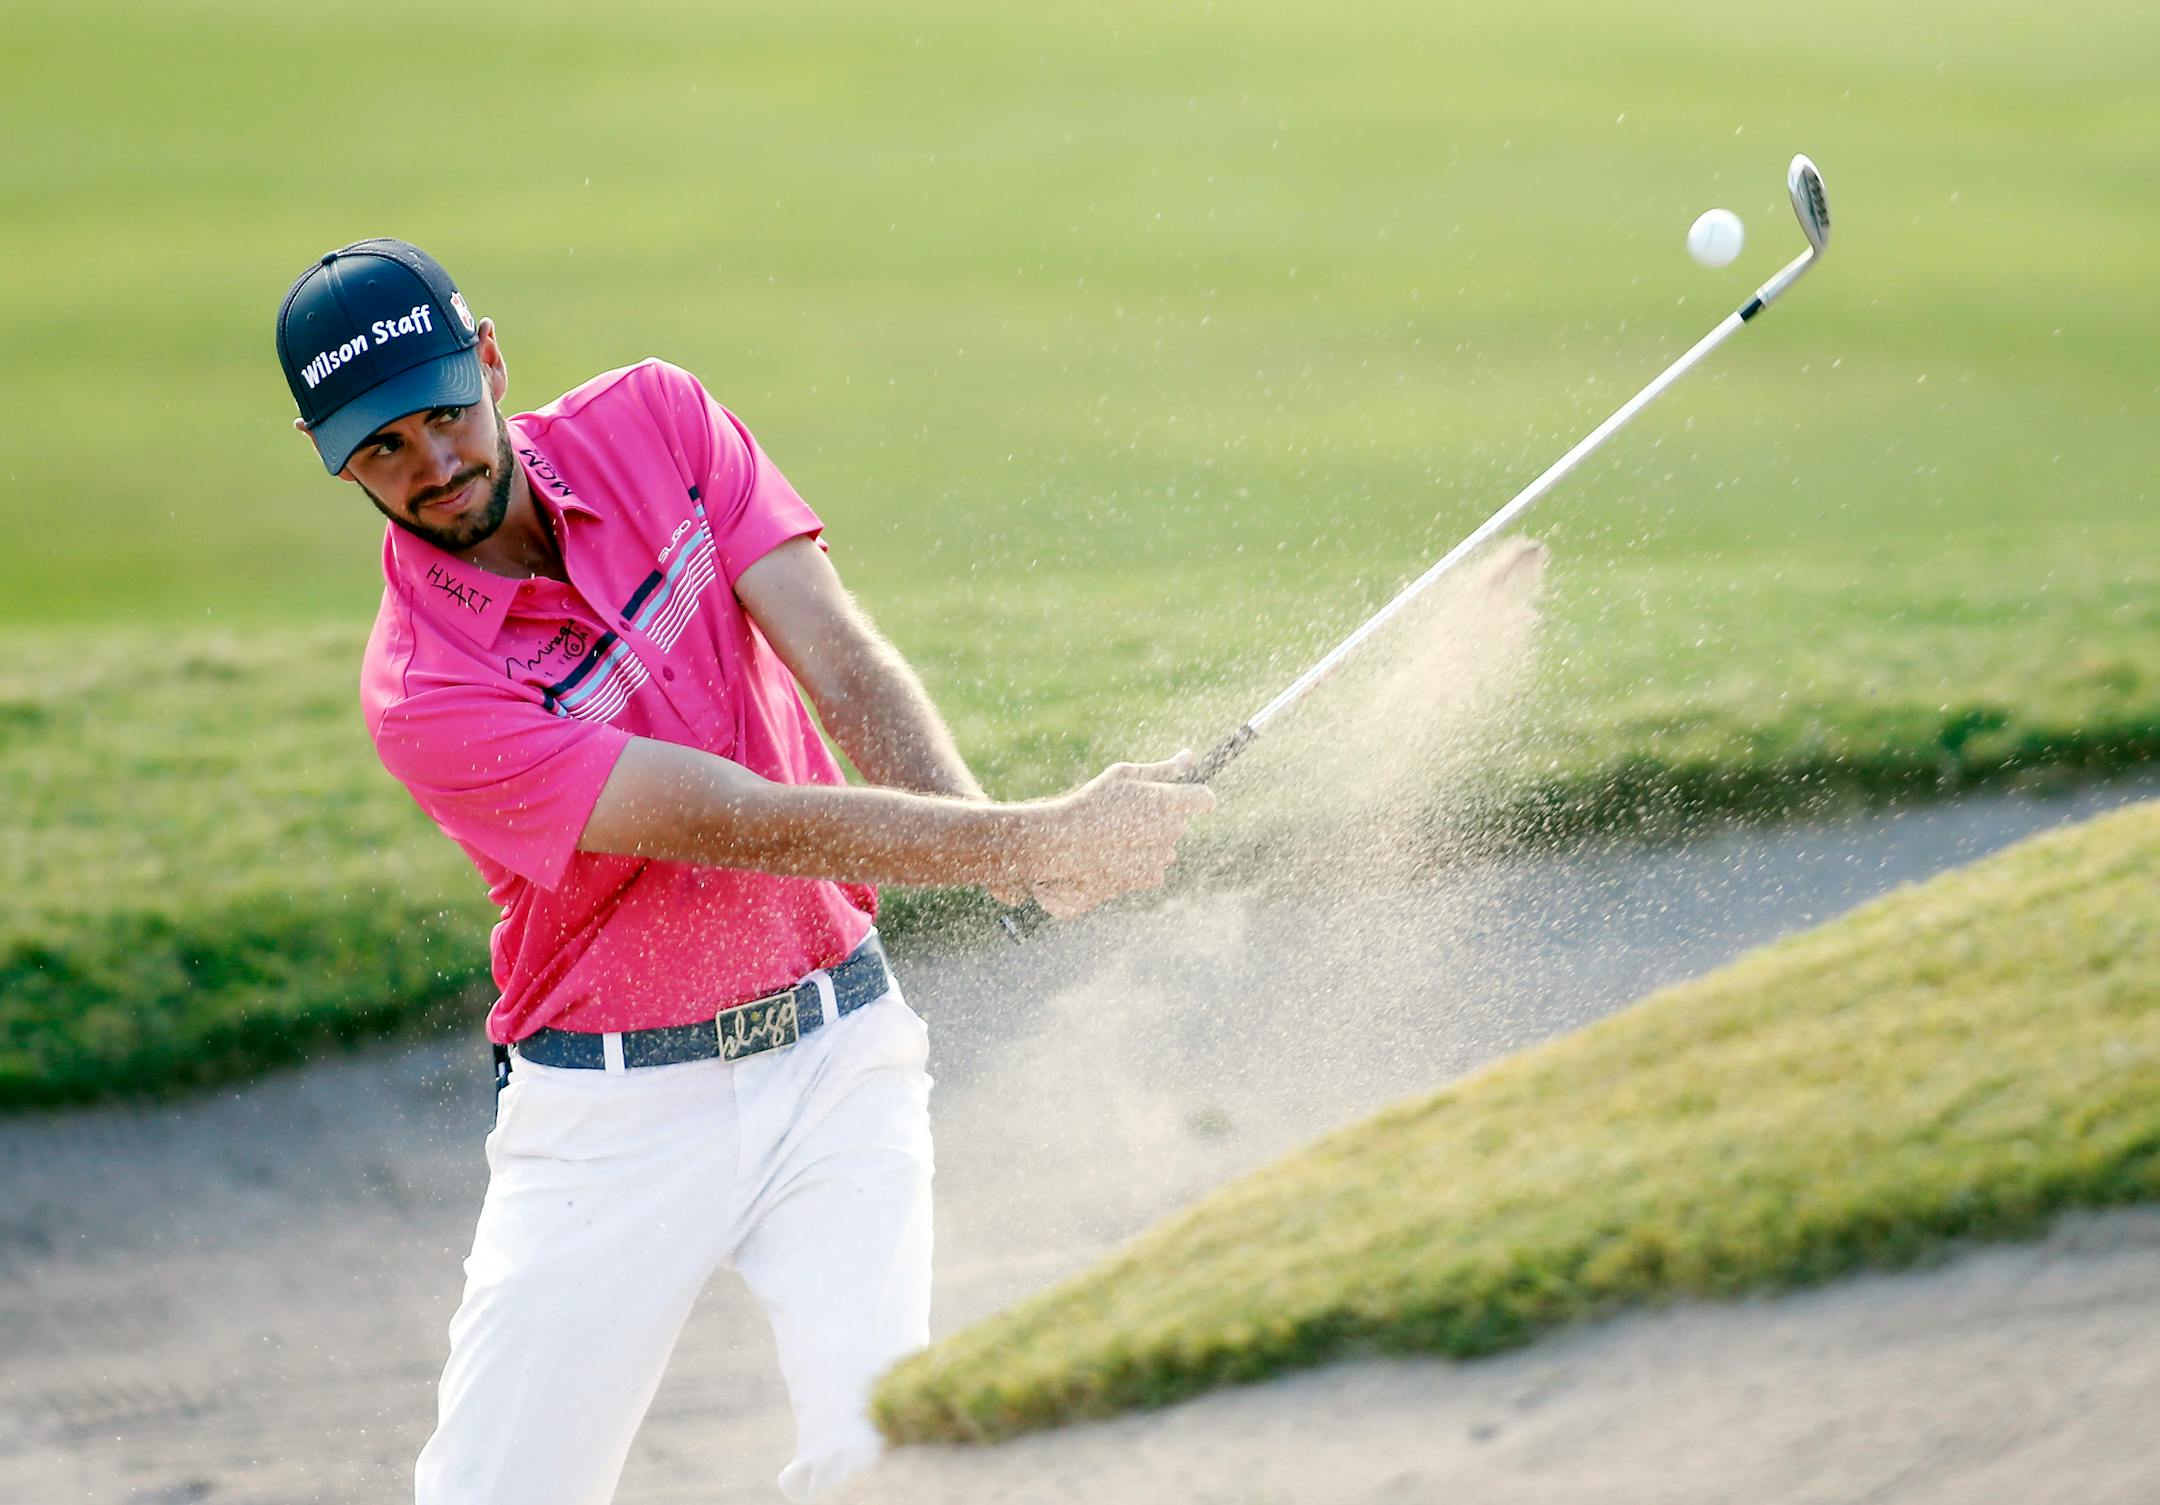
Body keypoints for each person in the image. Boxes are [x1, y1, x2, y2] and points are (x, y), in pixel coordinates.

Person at [273, 239, 1212, 1503]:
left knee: (885, 1459)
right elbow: (751, 821)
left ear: (490, 359)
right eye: (383, 448)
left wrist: (1000, 848)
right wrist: (1034, 841)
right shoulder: (425, 690)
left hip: (839, 1055)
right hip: (614, 1120)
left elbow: (846, 664)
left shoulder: (655, 418)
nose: (434, 466)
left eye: (447, 414)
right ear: (333, 455)